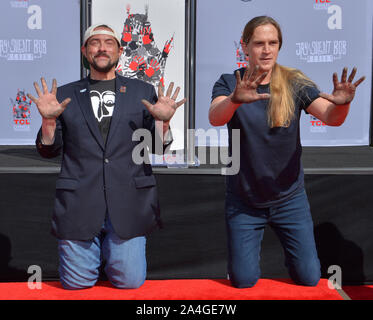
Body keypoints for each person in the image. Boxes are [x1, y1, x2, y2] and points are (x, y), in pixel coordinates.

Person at [209, 16, 365, 288]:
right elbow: (215, 117)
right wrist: (235, 100)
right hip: (244, 200)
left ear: (279, 46)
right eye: (259, 43)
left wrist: (343, 104)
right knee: (243, 281)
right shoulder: (229, 81)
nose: (266, 50)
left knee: (308, 278)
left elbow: (331, 117)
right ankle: (237, 266)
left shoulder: (294, 82)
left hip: (289, 198)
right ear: (245, 47)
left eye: (273, 43)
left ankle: (296, 260)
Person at [27, 23, 186, 290]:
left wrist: (164, 124)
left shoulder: (142, 92)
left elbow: (158, 147)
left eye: (109, 42)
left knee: (130, 283)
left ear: (120, 50)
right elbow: (48, 150)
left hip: (128, 201)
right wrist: (48, 121)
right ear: (84, 51)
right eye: (95, 42)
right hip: (79, 202)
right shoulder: (64, 95)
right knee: (76, 287)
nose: (102, 48)